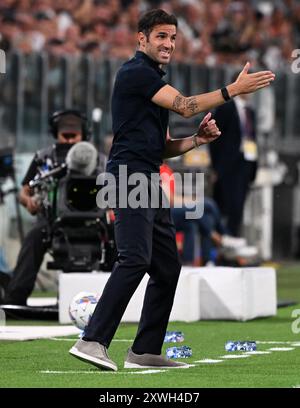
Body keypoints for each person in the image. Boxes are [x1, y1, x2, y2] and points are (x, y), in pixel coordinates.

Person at [69, 9, 275, 371]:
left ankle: (144, 351)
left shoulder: (151, 77)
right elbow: (185, 106)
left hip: (147, 176)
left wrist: (197, 139)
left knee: (166, 266)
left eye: (174, 38)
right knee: (134, 258)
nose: (169, 44)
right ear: (142, 39)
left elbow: (161, 145)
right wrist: (233, 91)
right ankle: (91, 340)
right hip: (128, 177)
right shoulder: (136, 73)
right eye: (162, 36)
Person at [1, 109, 106, 306]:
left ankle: (118, 301)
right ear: (56, 134)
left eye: (73, 136)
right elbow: (25, 190)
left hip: (95, 219)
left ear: (83, 135)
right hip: (52, 221)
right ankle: (14, 300)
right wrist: (28, 201)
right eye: (65, 136)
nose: (69, 141)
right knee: (34, 238)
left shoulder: (99, 159)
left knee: (119, 237)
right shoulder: (44, 158)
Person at [209, 88, 258, 236]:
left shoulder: (250, 112)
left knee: (238, 209)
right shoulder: (226, 108)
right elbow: (214, 139)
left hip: (245, 166)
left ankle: (233, 244)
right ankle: (222, 247)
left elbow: (252, 140)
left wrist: (253, 168)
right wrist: (215, 167)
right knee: (226, 207)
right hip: (227, 167)